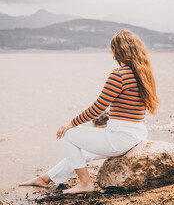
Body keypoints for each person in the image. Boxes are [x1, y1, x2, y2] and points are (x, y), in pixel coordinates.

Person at [19, 30, 159, 194]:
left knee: (66, 135)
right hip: (136, 134)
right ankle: (44, 179)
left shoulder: (119, 75)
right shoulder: (144, 74)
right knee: (82, 154)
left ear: (117, 51)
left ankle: (85, 183)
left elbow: (98, 108)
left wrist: (70, 124)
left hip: (120, 138)